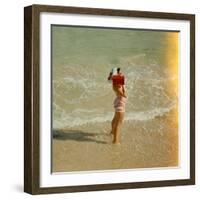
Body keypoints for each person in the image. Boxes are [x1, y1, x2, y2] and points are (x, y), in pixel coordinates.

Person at [108, 67, 127, 144]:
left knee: (115, 119)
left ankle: (112, 132)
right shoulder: (117, 84)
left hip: (119, 102)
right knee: (118, 123)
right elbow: (120, 92)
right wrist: (125, 95)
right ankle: (115, 141)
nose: (121, 74)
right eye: (119, 73)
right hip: (120, 103)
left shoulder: (116, 83)